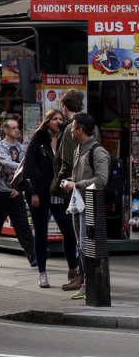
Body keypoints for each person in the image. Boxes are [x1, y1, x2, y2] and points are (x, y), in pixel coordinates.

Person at [22, 108, 78, 288]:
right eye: (54, 118)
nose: (58, 121)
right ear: (47, 121)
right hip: (41, 191)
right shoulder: (38, 139)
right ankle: (42, 273)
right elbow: (28, 168)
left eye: (60, 118)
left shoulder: (65, 138)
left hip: (60, 191)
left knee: (69, 231)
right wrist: (33, 193)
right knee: (41, 232)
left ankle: (72, 268)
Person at [61, 112, 110, 300]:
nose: (71, 130)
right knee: (81, 246)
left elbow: (101, 180)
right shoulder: (78, 149)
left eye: (73, 127)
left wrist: (77, 185)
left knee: (88, 246)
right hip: (78, 204)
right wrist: (69, 183)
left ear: (80, 130)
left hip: (90, 206)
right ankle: (86, 282)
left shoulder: (97, 151)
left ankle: (91, 284)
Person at [0, 118, 36, 268]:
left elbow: (24, 166)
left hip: (15, 193)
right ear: (6, 130)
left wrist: (18, 188)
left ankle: (33, 256)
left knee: (23, 225)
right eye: (13, 128)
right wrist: (24, 167)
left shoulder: (21, 148)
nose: (17, 130)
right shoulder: (0, 147)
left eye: (17, 128)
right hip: (0, 192)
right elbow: (8, 163)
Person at [49, 89, 86, 290]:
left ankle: (80, 275)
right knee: (79, 234)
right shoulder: (89, 123)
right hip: (82, 185)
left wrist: (58, 184)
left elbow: (68, 161)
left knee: (76, 234)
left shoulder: (74, 127)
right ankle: (79, 274)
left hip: (72, 187)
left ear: (64, 107)